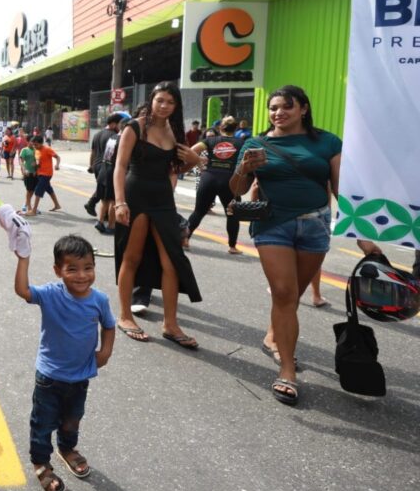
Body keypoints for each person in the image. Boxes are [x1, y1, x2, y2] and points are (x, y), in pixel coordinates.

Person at [230, 85, 341, 405]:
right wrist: (243, 169)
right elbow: (236, 188)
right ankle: (288, 371)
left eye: (286, 107)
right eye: (273, 108)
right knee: (283, 293)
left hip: (316, 225)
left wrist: (361, 233)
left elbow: (339, 187)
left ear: (303, 109)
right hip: (272, 225)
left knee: (291, 297)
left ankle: (272, 335)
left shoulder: (327, 141)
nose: (278, 113)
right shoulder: (255, 142)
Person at [13, 234, 115, 491]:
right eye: (72, 269)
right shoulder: (50, 294)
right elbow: (23, 291)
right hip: (49, 377)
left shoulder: (99, 300)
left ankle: (67, 449)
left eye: (88, 268)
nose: (82, 275)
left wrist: (105, 351)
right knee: (42, 423)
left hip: (80, 376)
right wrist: (24, 257)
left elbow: (109, 325)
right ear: (58, 271)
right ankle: (40, 462)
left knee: (72, 420)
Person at [113, 82, 202, 346]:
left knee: (171, 261)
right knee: (132, 256)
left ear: (176, 106)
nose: (164, 106)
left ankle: (171, 324)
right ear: (151, 100)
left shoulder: (174, 131)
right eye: (160, 100)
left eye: (170, 102)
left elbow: (175, 168)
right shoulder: (135, 127)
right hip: (136, 194)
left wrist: (194, 162)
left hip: (163, 199)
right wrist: (119, 203)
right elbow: (120, 166)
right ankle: (125, 315)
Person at [186, 116, 245, 255]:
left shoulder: (210, 140)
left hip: (209, 177)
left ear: (220, 128)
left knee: (198, 212)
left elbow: (190, 151)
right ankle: (232, 246)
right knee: (232, 214)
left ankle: (185, 239)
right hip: (230, 180)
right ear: (236, 128)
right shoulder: (241, 143)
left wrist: (199, 161)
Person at [84, 114, 124, 220]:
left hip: (97, 165)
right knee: (108, 192)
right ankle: (97, 209)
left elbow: (93, 151)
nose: (120, 127)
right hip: (106, 165)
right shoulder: (113, 136)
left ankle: (98, 210)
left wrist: (91, 165)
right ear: (114, 124)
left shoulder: (97, 134)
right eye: (119, 124)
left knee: (102, 189)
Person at [94, 114, 127, 235]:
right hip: (112, 172)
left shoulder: (112, 137)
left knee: (104, 200)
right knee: (114, 201)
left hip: (103, 170)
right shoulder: (122, 140)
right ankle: (112, 225)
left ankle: (100, 221)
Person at [25, 136, 62, 216]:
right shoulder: (36, 150)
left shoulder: (47, 149)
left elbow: (58, 157)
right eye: (34, 145)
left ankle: (34, 211)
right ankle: (57, 205)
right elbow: (39, 162)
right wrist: (36, 165)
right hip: (39, 173)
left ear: (41, 143)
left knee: (38, 190)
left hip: (47, 174)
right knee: (49, 189)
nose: (34, 146)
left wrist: (57, 165)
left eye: (36, 144)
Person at [18, 136, 38, 214]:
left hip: (35, 173)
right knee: (28, 190)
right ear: (27, 142)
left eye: (33, 142)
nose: (32, 143)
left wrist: (36, 169)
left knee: (33, 190)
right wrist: (24, 170)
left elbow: (38, 161)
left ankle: (26, 204)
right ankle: (29, 207)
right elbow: (21, 162)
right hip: (28, 173)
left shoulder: (36, 150)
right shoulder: (24, 150)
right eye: (31, 141)